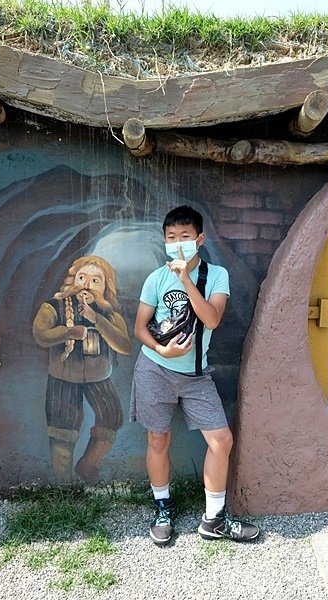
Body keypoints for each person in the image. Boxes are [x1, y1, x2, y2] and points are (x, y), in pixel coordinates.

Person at [131, 205, 259, 545]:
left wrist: (186, 279)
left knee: (222, 440)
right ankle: (162, 507)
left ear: (199, 240)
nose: (177, 244)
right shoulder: (155, 279)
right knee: (158, 439)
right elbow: (140, 328)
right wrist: (162, 350)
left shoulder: (216, 276)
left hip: (197, 376)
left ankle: (214, 519)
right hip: (155, 369)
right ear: (164, 241)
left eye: (185, 237)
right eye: (171, 238)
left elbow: (213, 319)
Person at [32, 255, 133, 484]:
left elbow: (125, 346)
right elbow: (40, 334)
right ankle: (64, 488)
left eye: (96, 280)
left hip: (99, 377)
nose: (87, 284)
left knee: (111, 419)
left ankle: (87, 466)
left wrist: (96, 319)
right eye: (82, 277)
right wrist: (67, 332)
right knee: (62, 430)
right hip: (63, 377)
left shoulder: (109, 312)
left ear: (106, 286)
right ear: (72, 280)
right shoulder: (53, 306)